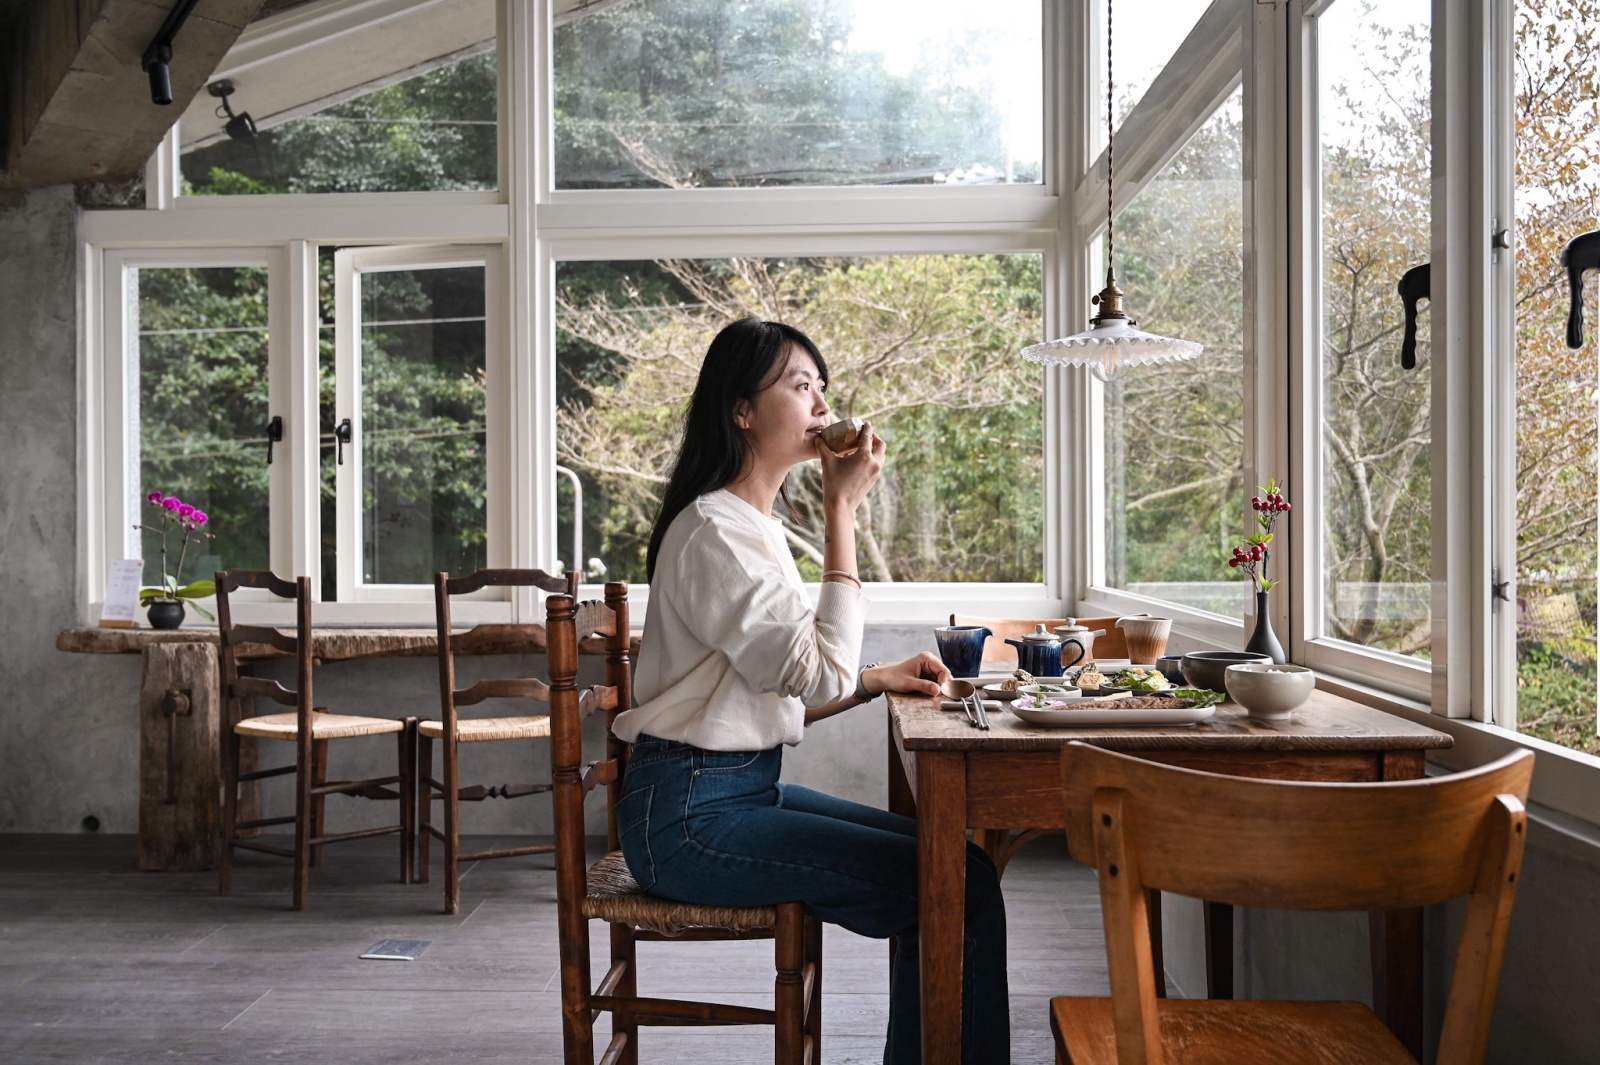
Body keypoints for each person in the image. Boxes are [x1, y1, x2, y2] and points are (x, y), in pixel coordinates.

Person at [612, 317, 1009, 1065]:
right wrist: (841, 511)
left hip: (728, 792)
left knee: (963, 870)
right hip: (690, 818)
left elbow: (778, 683)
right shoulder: (716, 531)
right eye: (800, 386)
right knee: (958, 891)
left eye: (822, 386)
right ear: (741, 410)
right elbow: (814, 669)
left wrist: (871, 683)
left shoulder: (746, 526)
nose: (822, 404)